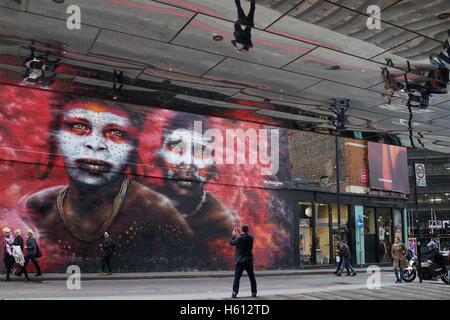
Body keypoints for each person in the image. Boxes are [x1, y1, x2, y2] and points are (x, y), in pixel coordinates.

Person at [20, 97, 194, 272]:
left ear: (133, 147)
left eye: (116, 133)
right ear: (55, 136)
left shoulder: (156, 210)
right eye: (78, 126)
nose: (95, 145)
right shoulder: (38, 206)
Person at [230, 224, 257, 298]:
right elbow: (245, 237)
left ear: (242, 230)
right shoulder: (251, 237)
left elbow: (231, 242)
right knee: (252, 277)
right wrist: (240, 233)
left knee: (237, 277)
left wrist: (233, 234)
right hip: (248, 260)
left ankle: (234, 293)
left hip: (240, 260)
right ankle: (254, 292)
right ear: (248, 230)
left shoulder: (239, 239)